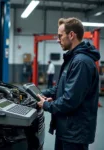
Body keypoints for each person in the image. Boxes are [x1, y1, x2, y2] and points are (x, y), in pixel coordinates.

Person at [37, 17, 100, 150]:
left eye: (60, 36)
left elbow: (70, 100)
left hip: (75, 134)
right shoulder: (73, 59)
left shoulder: (81, 62)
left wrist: (47, 105)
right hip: (67, 130)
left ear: (71, 35)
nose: (58, 40)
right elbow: (61, 88)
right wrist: (40, 94)